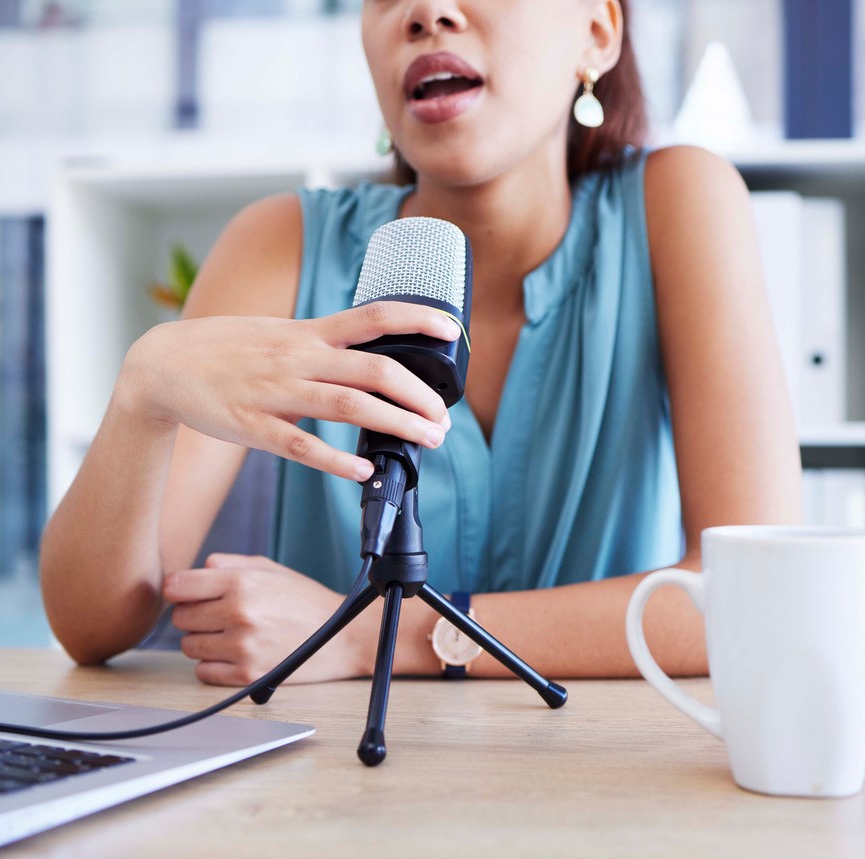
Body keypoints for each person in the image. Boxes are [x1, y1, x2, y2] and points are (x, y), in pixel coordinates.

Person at [39, 0, 802, 686]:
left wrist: (368, 635)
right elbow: (92, 626)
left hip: (598, 786)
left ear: (597, 33)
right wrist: (142, 396)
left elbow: (758, 595)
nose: (426, 12)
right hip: (321, 794)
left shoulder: (678, 203)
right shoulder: (280, 244)